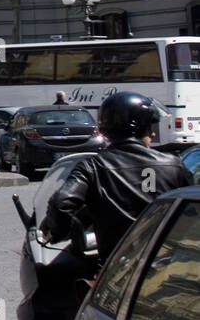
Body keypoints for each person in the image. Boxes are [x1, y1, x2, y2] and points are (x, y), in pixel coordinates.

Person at [42, 92, 191, 262]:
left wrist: (58, 233)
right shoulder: (173, 164)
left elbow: (60, 204)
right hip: (164, 263)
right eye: (150, 127)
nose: (154, 134)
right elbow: (191, 213)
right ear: (140, 127)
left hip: (116, 266)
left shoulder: (92, 167)